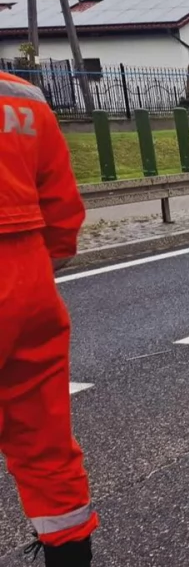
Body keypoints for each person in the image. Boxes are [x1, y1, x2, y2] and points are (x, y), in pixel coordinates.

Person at [0, 70, 95, 565]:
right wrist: (33, 269)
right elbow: (62, 217)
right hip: (30, 284)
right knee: (45, 443)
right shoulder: (24, 99)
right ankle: (70, 554)